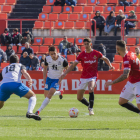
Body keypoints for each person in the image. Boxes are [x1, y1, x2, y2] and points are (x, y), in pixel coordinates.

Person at [59, 38, 114, 115]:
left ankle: (91, 109)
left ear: (90, 44)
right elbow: (73, 65)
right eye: (85, 44)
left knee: (91, 89)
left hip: (93, 76)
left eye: (87, 44)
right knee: (79, 98)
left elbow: (105, 59)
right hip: (84, 77)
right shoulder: (81, 55)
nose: (86, 45)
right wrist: (65, 73)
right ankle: (89, 105)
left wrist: (110, 65)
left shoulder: (96, 53)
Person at [0, 55, 41, 120]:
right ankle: (29, 112)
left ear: (9, 62)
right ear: (18, 61)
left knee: (1, 104)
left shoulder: (5, 68)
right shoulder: (19, 65)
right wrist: (29, 78)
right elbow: (24, 72)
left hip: (3, 86)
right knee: (32, 96)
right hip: (15, 84)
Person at [105, 40, 140, 115]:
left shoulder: (127, 58)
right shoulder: (130, 53)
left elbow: (125, 75)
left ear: (117, 49)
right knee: (122, 101)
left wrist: (112, 82)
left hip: (138, 82)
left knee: (139, 105)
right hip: (132, 82)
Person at [35, 46, 68, 116]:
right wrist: (44, 79)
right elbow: (45, 68)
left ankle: (38, 111)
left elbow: (67, 70)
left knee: (49, 95)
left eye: (54, 53)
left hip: (57, 79)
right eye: (52, 54)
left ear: (57, 52)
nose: (53, 55)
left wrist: (62, 77)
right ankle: (60, 92)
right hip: (49, 78)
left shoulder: (62, 60)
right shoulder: (47, 59)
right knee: (46, 95)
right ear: (49, 54)